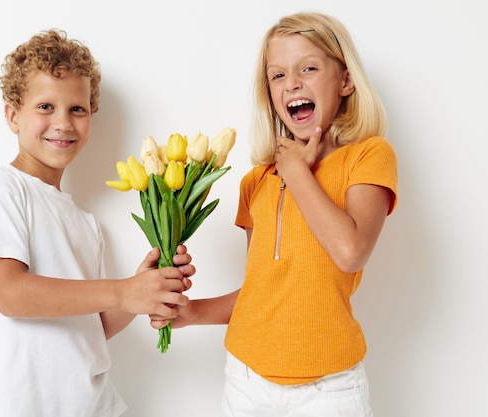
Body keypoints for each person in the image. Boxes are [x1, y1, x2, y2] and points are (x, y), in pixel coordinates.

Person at [151, 12, 398, 416]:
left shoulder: (368, 156)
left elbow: (351, 252)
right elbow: (261, 290)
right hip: (245, 381)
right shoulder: (257, 182)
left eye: (309, 68)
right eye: (278, 75)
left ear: (346, 81)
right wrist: (191, 313)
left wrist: (297, 172)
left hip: (330, 388)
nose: (293, 83)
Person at [0, 29, 194, 417]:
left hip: (94, 405)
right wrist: (123, 291)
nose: (63, 123)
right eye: (46, 107)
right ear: (12, 114)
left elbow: (92, 326)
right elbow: (11, 295)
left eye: (77, 109)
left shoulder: (85, 223)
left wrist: (143, 291)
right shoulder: (1, 188)